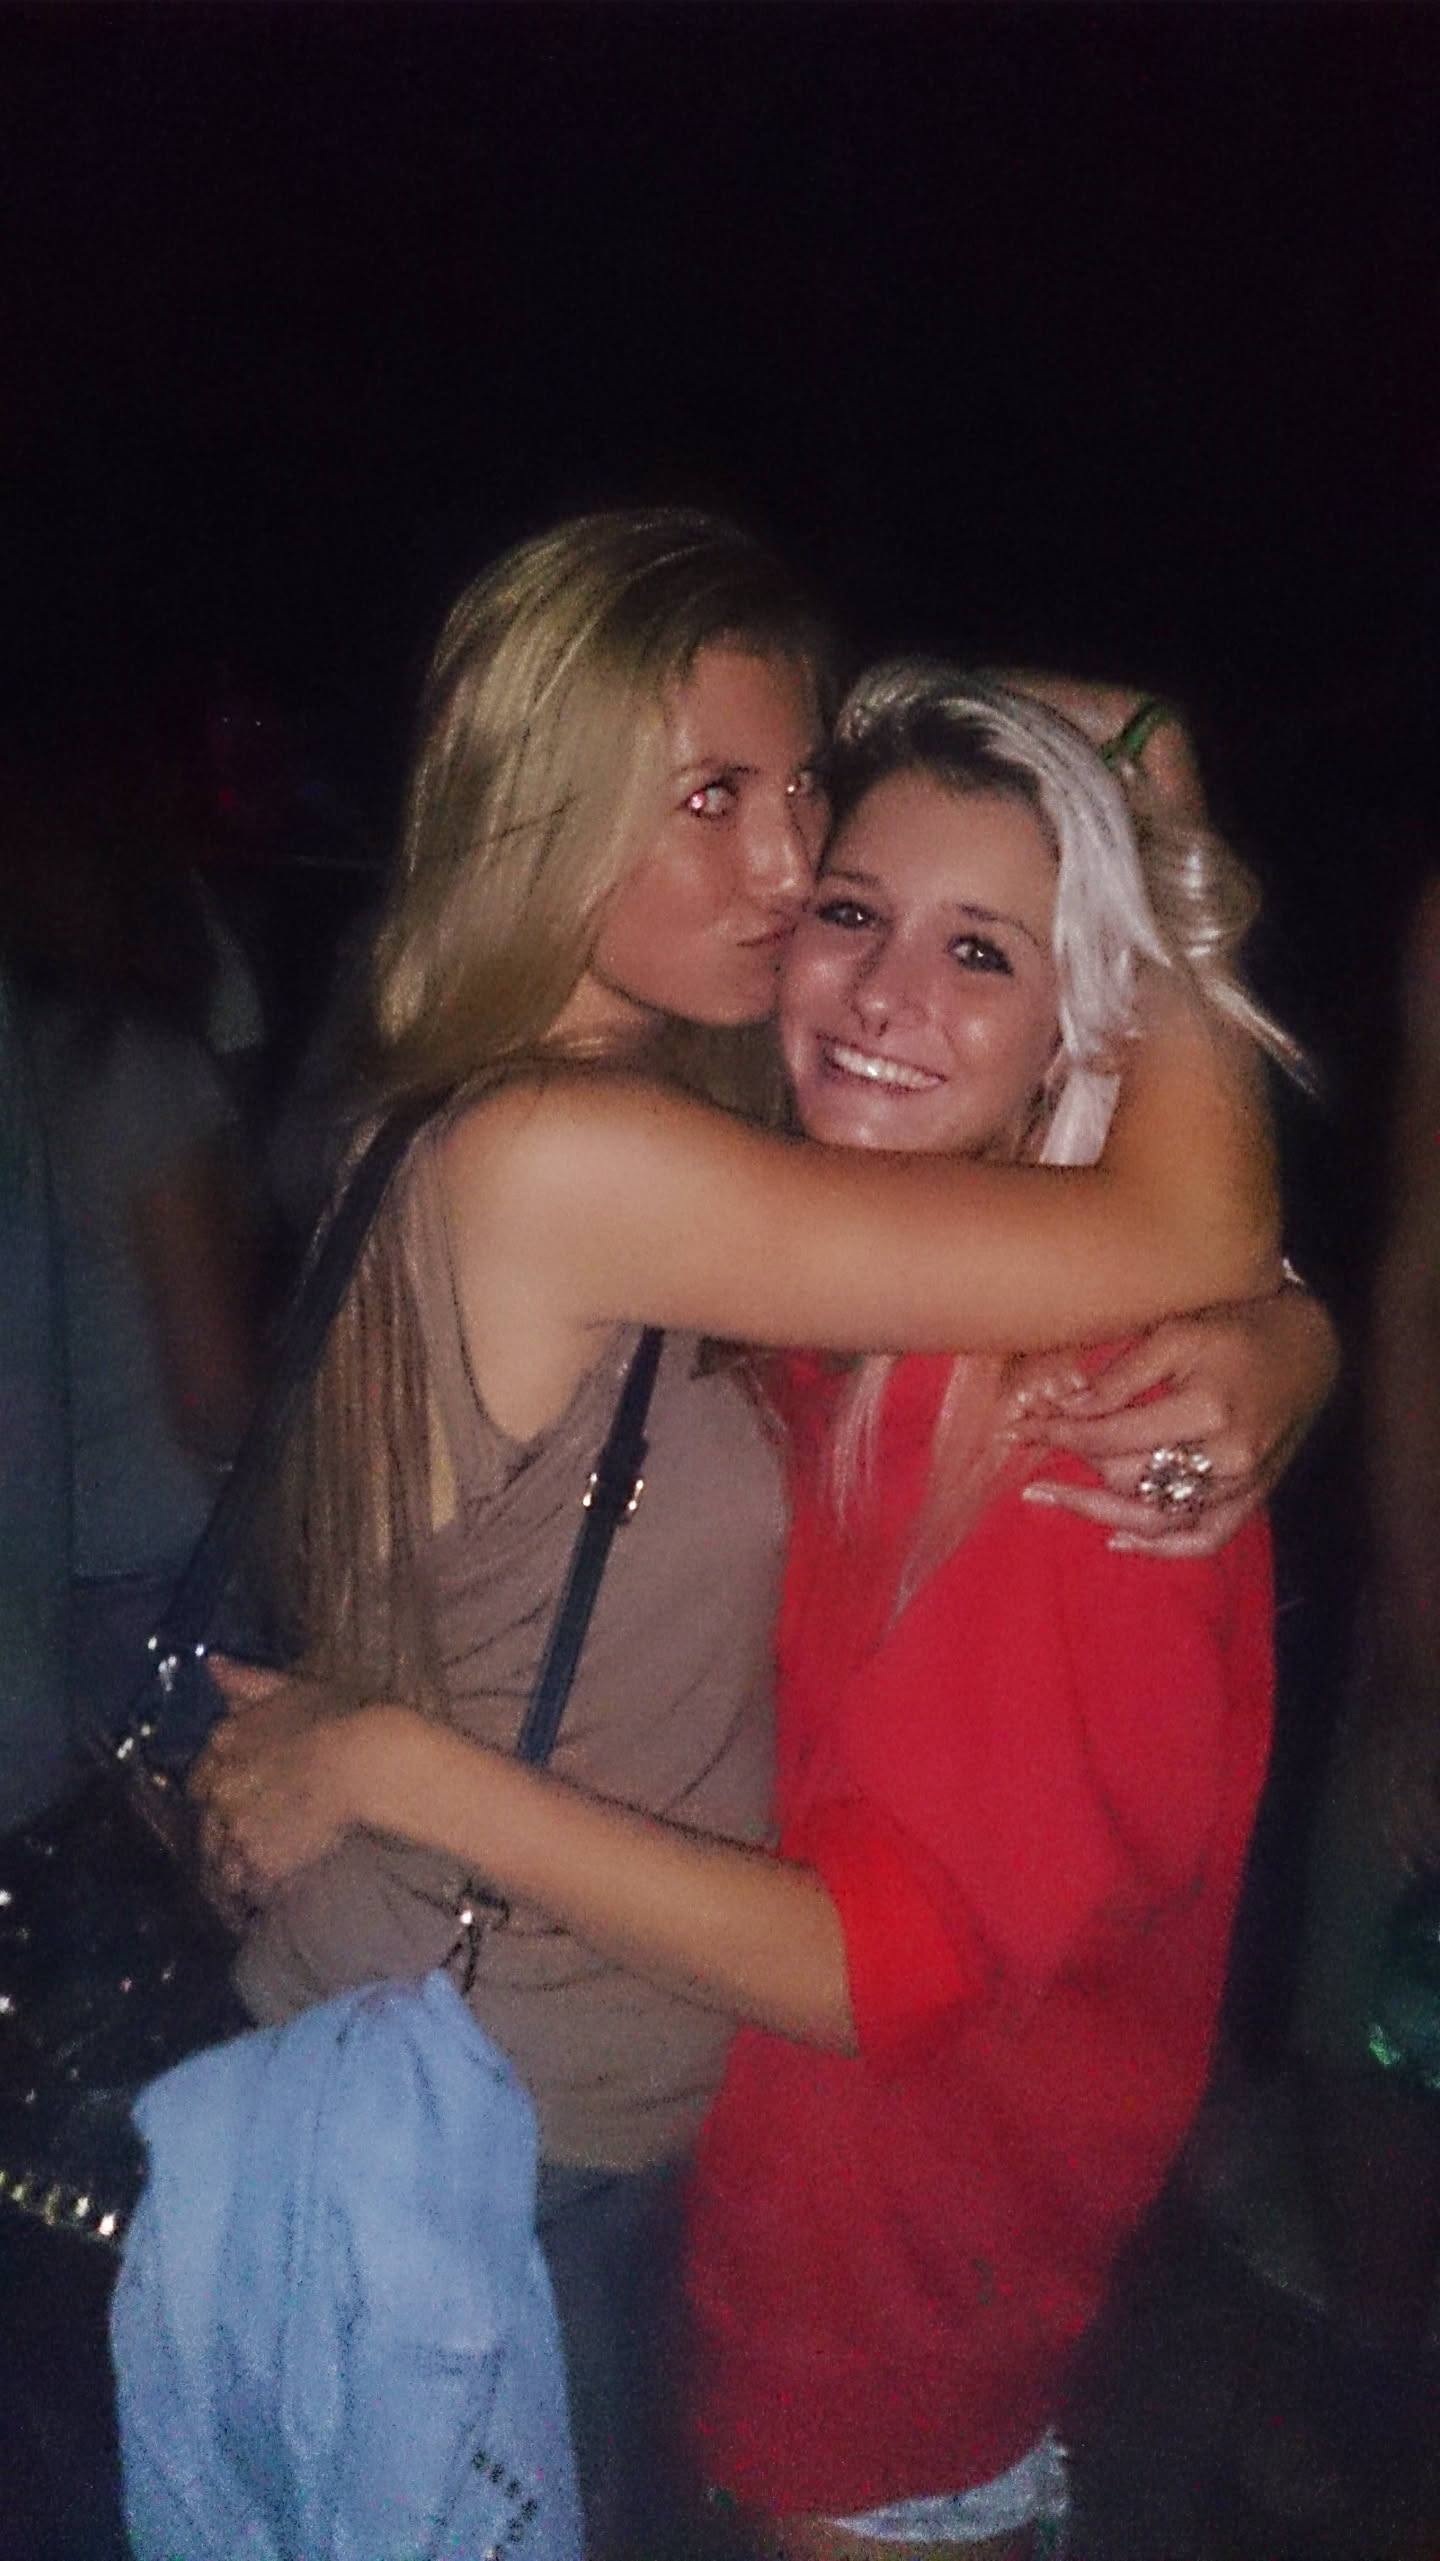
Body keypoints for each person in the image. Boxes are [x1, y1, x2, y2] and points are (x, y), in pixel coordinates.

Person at [190, 510, 1321, 2554]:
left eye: (796, 796)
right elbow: (1180, 1220)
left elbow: (1140, 1263)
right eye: (713, 799)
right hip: (495, 2127)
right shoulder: (573, 1155)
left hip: (635, 2152)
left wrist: (1285, 1339)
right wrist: (1159, 798)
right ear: (544, 810)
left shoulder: (633, 1146)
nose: (788, 874)